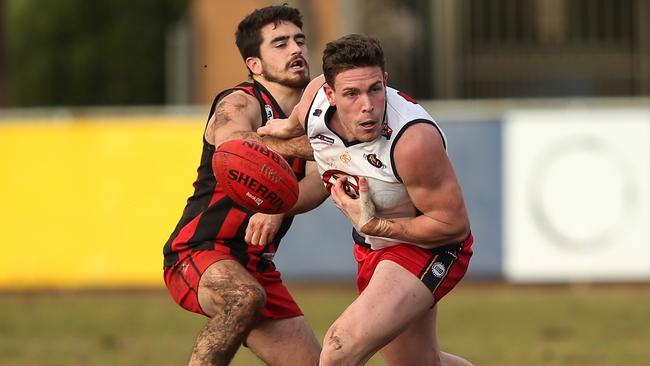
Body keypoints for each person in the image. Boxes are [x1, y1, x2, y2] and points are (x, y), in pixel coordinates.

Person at [258, 34, 475, 366]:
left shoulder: (413, 141)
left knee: (338, 349)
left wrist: (379, 224)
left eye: (375, 89)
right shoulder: (315, 100)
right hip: (373, 244)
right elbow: (307, 112)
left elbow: (453, 226)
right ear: (330, 94)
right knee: (418, 362)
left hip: (429, 246)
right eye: (351, 94)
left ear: (385, 81)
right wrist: (287, 128)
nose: (367, 105)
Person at [162, 5, 327, 366]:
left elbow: (321, 181)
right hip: (200, 251)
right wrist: (326, 146)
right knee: (244, 298)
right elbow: (234, 147)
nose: (296, 49)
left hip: (256, 266)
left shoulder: (317, 117)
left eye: (300, 40)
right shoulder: (239, 101)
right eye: (280, 43)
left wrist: (282, 204)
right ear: (254, 64)